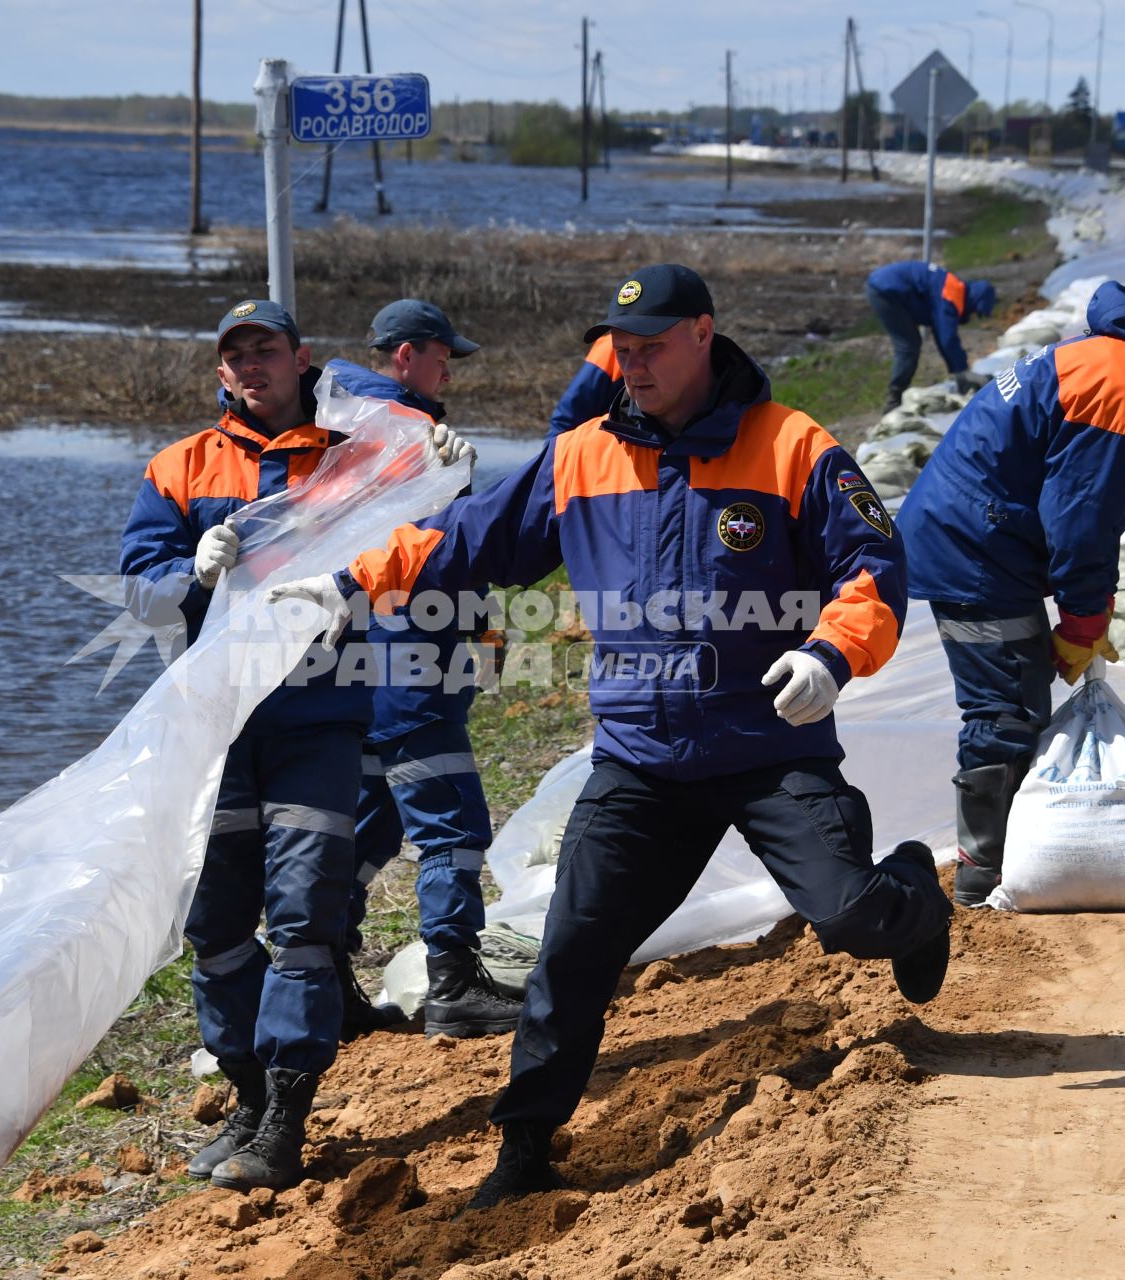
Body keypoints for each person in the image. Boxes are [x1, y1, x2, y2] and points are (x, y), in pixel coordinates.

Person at [270, 264, 956, 1210]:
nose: (630, 368)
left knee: (848, 917)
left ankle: (915, 892)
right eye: (619, 352)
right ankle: (524, 1150)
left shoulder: (794, 447)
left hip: (770, 750)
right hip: (641, 763)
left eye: (650, 350)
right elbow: (466, 537)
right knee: (571, 953)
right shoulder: (584, 455)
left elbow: (873, 567)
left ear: (704, 336)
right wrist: (351, 580)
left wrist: (833, 654)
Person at [119, 298, 465, 1193]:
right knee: (218, 930)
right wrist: (193, 569)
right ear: (219, 371)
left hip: (319, 719)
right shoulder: (180, 468)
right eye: (234, 355)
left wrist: (452, 477)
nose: (250, 366)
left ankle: (284, 1115)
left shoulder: (352, 456)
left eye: (265, 349)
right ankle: (244, 1091)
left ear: (299, 355)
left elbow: (426, 532)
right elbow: (141, 597)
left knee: (307, 922)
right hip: (217, 728)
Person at [894, 261, 1125, 907]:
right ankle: (982, 875)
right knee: (1005, 707)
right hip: (974, 548)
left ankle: (1018, 858)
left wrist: (1090, 608)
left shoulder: (1111, 357)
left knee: (1022, 695)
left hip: (984, 535)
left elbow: (1085, 500)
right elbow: (1081, 522)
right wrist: (1086, 618)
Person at [321, 299, 525, 1041]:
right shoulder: (404, 434)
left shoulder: (351, 426)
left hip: (362, 667)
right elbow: (432, 549)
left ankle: (327, 985)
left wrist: (479, 620)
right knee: (453, 826)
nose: (451, 371)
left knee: (368, 829)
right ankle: (454, 984)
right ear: (404, 355)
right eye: (443, 356)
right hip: (409, 662)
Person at [864, 260, 998, 414]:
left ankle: (896, 397)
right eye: (975, 311)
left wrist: (959, 369)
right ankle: (894, 400)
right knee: (908, 346)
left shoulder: (953, 289)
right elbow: (947, 338)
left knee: (911, 344)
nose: (972, 316)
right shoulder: (951, 296)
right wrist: (963, 371)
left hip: (886, 286)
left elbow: (942, 334)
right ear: (974, 301)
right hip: (886, 289)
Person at [548, 333, 623, 436]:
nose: (634, 368)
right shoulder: (610, 348)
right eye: (624, 351)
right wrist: (554, 450)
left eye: (650, 347)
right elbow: (566, 421)